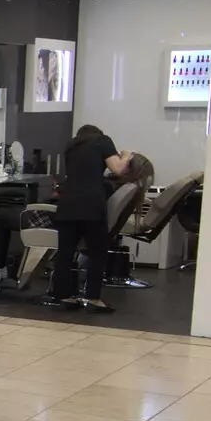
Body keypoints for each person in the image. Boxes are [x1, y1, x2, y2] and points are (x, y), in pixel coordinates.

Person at [48, 124, 138, 313]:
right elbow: (118, 169)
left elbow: (83, 171)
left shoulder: (71, 145)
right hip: (91, 205)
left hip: (67, 202)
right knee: (97, 252)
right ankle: (93, 298)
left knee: (65, 252)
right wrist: (127, 156)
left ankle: (63, 295)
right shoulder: (102, 141)